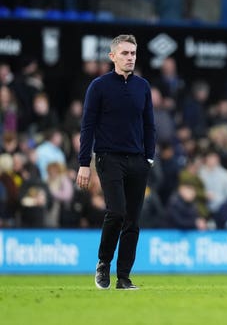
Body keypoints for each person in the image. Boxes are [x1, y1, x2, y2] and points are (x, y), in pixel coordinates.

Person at [77, 34, 156, 290]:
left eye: (133, 53)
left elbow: (149, 125)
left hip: (137, 160)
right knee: (117, 212)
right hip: (109, 158)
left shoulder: (143, 86)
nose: (130, 57)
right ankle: (103, 263)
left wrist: (149, 158)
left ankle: (124, 277)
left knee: (133, 219)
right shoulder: (99, 86)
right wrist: (83, 163)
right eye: (125, 53)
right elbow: (87, 126)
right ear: (112, 56)